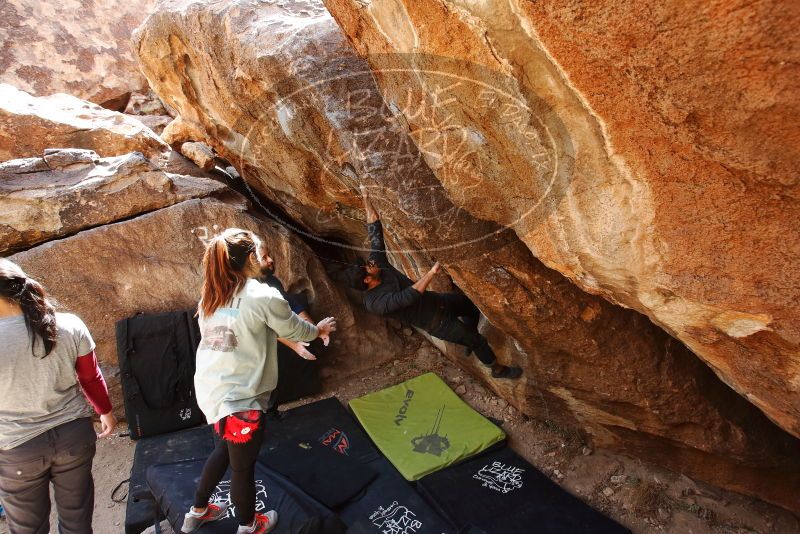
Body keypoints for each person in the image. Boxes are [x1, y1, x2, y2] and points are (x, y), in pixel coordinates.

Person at [182, 229, 336, 534]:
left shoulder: (211, 297)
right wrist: (318, 329)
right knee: (242, 467)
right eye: (260, 253)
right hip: (240, 398)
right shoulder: (262, 295)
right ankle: (249, 525)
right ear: (251, 258)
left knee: (225, 451)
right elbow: (296, 330)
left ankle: (197, 512)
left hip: (212, 392)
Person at [347, 186, 521, 379]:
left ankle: (467, 333)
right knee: (477, 341)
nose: (371, 262)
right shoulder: (376, 303)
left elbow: (375, 231)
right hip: (437, 323)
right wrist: (432, 272)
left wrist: (365, 197)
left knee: (470, 306)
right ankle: (497, 369)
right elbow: (407, 297)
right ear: (367, 280)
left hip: (438, 301)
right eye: (368, 267)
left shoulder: (377, 265)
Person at [0, 258, 117, 534]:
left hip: (18, 449)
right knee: (77, 522)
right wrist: (105, 411)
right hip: (73, 437)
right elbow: (90, 377)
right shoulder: (68, 324)